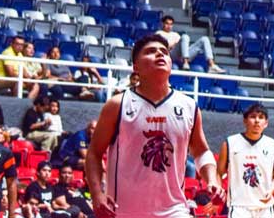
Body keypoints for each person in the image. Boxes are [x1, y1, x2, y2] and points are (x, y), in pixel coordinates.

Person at [86, 34, 223, 218]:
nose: (160, 54)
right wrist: (97, 195)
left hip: (175, 211)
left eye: (164, 52)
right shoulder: (117, 105)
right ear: (135, 67)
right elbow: (94, 153)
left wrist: (212, 179)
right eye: (151, 52)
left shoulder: (189, 106)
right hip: (124, 210)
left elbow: (201, 152)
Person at [216, 103, 274, 218]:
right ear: (245, 121)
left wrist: (271, 190)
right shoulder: (230, 143)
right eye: (253, 116)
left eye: (261, 117)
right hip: (239, 206)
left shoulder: (273, 145)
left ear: (266, 123)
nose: (257, 121)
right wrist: (219, 195)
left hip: (264, 207)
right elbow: (219, 173)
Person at [156, 15, 225, 73]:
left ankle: (211, 65)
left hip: (182, 54)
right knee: (184, 37)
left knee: (204, 39)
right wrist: (174, 43)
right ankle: (185, 63)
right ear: (163, 24)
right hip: (170, 54)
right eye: (167, 23)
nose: (169, 26)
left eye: (171, 24)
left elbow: (183, 46)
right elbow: (162, 48)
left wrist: (178, 44)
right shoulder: (159, 33)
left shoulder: (175, 34)